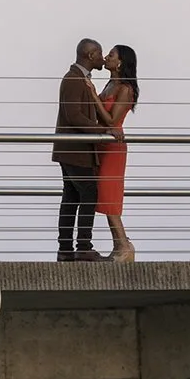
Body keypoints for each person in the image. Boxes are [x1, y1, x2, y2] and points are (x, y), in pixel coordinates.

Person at [51, 38, 106, 262]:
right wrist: (100, 131)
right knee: (88, 193)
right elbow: (74, 115)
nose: (102, 58)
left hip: (72, 150)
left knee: (71, 197)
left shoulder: (78, 78)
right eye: (100, 54)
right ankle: (83, 246)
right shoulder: (74, 80)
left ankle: (65, 249)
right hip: (75, 150)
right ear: (90, 55)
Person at [87, 44, 140, 262]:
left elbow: (111, 120)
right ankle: (120, 244)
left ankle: (124, 245)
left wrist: (92, 94)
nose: (107, 58)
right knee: (103, 193)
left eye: (111, 55)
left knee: (109, 193)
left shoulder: (125, 88)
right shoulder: (111, 84)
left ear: (120, 62)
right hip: (103, 143)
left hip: (114, 145)